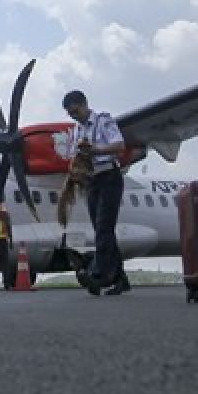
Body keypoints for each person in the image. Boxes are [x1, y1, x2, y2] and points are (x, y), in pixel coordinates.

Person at [63, 90, 131, 296]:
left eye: (75, 111)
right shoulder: (76, 131)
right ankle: (120, 280)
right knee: (103, 230)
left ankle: (98, 274)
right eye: (69, 114)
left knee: (103, 227)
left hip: (109, 176)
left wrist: (96, 151)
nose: (73, 116)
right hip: (91, 181)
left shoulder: (103, 120)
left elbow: (120, 145)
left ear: (83, 104)